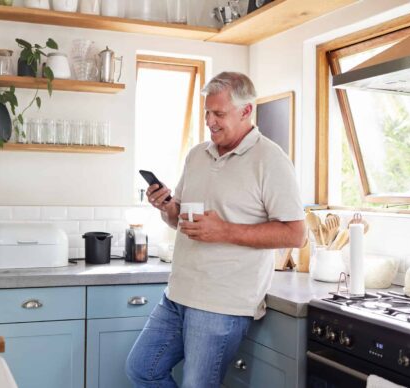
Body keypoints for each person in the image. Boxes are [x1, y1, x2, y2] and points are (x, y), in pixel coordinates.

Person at [125, 71, 306, 388]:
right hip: (178, 294)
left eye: (219, 113)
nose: (210, 121)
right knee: (142, 369)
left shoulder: (271, 160)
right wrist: (168, 208)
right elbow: (180, 220)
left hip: (222, 304)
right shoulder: (197, 155)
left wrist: (223, 231)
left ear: (246, 110)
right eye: (207, 112)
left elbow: (295, 234)